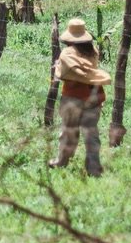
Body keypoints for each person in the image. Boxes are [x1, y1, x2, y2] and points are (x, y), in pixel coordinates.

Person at [48, 18, 111, 177]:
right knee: (91, 133)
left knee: (68, 132)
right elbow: (89, 72)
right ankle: (94, 167)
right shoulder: (93, 50)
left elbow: (64, 73)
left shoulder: (67, 53)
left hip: (73, 98)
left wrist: (57, 67)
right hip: (94, 96)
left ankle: (62, 161)